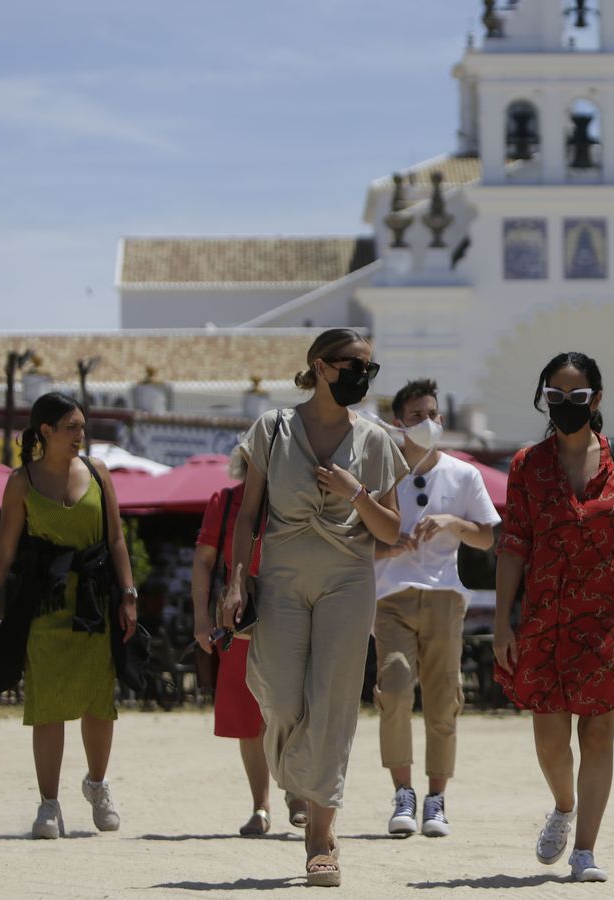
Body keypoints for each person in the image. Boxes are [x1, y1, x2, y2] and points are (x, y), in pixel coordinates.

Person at [220, 328, 406, 888]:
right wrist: (234, 583)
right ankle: (301, 776)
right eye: (354, 366)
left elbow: (392, 531)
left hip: (348, 579)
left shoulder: (375, 440)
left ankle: (320, 837)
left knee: (333, 702)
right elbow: (247, 515)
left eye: (370, 369)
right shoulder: (272, 430)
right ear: (321, 367)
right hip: (279, 575)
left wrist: (356, 493)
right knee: (278, 695)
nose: (363, 378)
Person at [493, 351, 614, 883]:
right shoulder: (526, 464)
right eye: (554, 396)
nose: (564, 405)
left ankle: (585, 850)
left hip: (611, 615)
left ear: (596, 399)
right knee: (550, 738)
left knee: (597, 735)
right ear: (543, 397)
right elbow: (514, 543)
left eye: (576, 396)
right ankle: (564, 806)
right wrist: (503, 619)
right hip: (544, 617)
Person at [0, 392, 139, 839]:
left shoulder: (100, 474)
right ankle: (49, 805)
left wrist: (128, 593)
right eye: (72, 427)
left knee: (99, 703)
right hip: (44, 607)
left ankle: (98, 785)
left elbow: (117, 540)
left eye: (83, 426)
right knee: (47, 705)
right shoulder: (21, 482)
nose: (81, 435)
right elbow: (4, 553)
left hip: (95, 604)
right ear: (45, 432)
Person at [373, 378, 500, 838]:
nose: (427, 423)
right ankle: (403, 793)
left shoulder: (464, 474)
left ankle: (436, 799)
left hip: (446, 595)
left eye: (433, 414)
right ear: (398, 424)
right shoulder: (382, 472)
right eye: (416, 417)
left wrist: (453, 522)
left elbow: (488, 537)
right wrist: (389, 547)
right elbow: (358, 540)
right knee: (395, 688)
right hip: (391, 597)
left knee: (445, 698)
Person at [191, 448, 308, 835]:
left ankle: (295, 792)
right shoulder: (225, 502)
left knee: (291, 707)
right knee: (248, 719)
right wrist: (201, 619)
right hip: (240, 619)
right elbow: (204, 561)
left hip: (290, 614)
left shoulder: (296, 501)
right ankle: (261, 807)